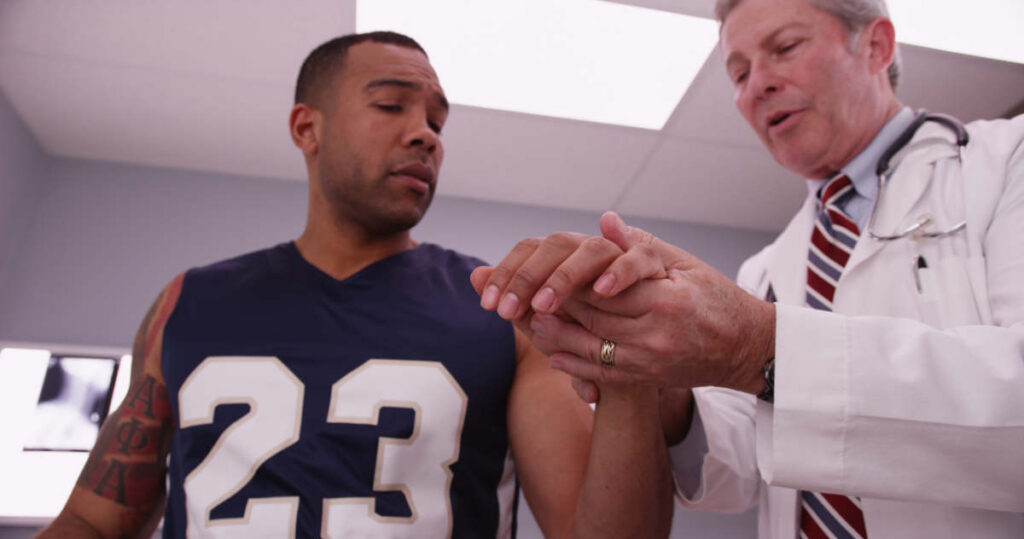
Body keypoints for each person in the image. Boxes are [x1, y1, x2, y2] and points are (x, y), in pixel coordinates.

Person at [38, 32, 673, 538]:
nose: (426, 132)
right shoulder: (187, 303)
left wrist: (629, 363)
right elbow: (94, 522)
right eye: (391, 105)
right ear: (306, 128)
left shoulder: (502, 312)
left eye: (437, 121)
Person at [472, 0, 1024, 537]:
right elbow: (741, 471)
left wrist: (761, 347)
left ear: (877, 46)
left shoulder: (1005, 163)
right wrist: (658, 381)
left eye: (784, 48)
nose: (756, 85)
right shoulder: (768, 268)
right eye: (738, 74)